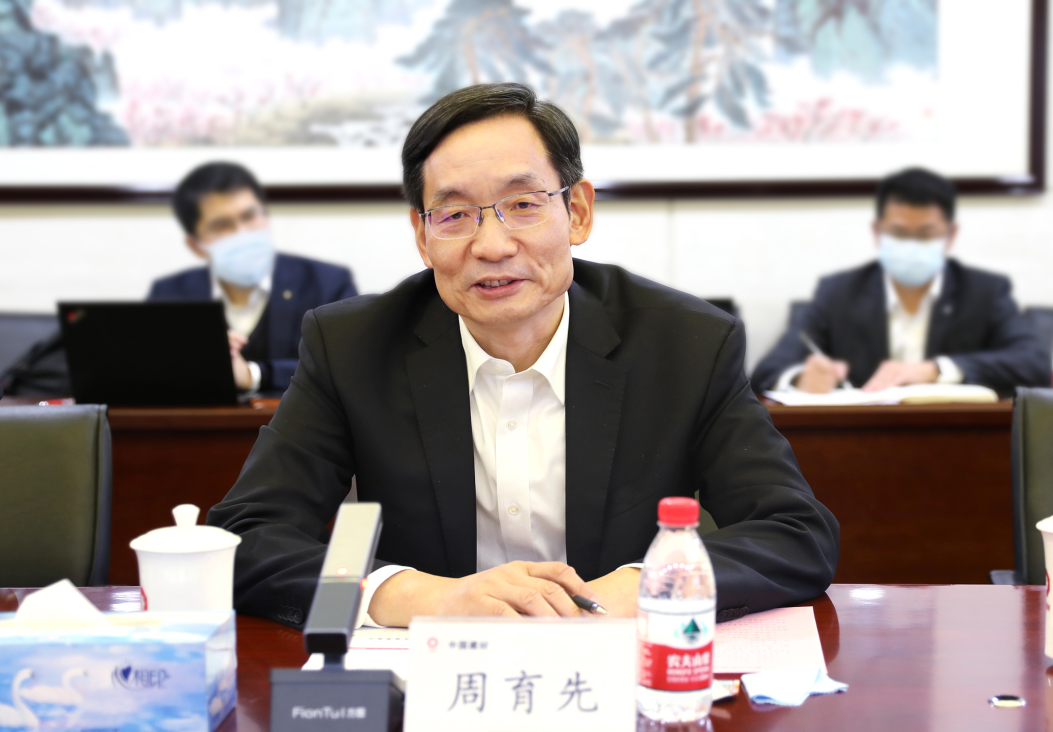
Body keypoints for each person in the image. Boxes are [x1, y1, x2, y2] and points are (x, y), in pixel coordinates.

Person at [207, 83, 839, 630]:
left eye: (523, 205)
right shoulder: (352, 346)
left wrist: (640, 588)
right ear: (422, 235)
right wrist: (421, 597)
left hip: (614, 669)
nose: (492, 245)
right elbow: (247, 536)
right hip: (434, 674)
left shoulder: (685, 345)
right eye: (455, 214)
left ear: (578, 212)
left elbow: (795, 533)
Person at [750, 168, 1050, 396]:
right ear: (877, 231)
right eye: (899, 233)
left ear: (950, 234)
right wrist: (799, 379)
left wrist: (936, 370)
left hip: (956, 444)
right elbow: (766, 372)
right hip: (858, 446)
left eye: (926, 233)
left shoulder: (984, 292)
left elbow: (1034, 363)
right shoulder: (838, 293)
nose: (911, 245)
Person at [149, 162, 358, 392]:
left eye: (250, 216)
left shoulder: (327, 284)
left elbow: (349, 367)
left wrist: (253, 374)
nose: (243, 233)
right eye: (222, 225)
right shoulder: (171, 293)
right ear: (196, 244)